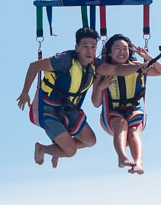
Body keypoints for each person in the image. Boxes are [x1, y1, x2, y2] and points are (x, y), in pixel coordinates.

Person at [16, 26, 101, 168]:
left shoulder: (94, 64)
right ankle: (42, 148)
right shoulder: (64, 60)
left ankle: (60, 147)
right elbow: (34, 66)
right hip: (48, 108)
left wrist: (143, 65)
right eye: (85, 46)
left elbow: (118, 69)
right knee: (71, 151)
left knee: (90, 141)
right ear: (77, 47)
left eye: (93, 47)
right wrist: (25, 93)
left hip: (66, 109)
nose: (89, 51)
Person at [91, 34, 161, 174]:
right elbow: (95, 103)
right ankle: (122, 156)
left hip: (133, 110)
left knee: (133, 132)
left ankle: (138, 162)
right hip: (112, 114)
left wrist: (147, 56)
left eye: (125, 48)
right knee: (121, 124)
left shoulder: (138, 66)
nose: (122, 52)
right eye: (117, 48)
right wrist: (101, 87)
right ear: (109, 51)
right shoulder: (103, 71)